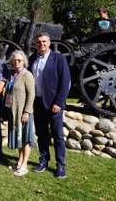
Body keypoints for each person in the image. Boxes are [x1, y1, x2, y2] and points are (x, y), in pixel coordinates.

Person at [29, 32, 70, 178]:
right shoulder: (33, 58)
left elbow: (65, 82)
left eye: (44, 41)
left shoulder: (58, 58)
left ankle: (60, 166)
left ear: (49, 43)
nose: (41, 44)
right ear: (36, 43)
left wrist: (59, 102)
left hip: (54, 103)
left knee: (58, 136)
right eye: (39, 42)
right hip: (38, 102)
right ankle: (44, 160)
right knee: (41, 134)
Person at [5, 50, 35, 176]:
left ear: (24, 62)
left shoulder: (27, 75)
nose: (16, 62)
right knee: (18, 137)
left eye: (19, 60)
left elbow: (31, 94)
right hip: (13, 111)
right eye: (14, 60)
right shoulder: (12, 75)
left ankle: (24, 165)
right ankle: (20, 160)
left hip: (23, 112)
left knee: (25, 139)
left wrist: (27, 112)